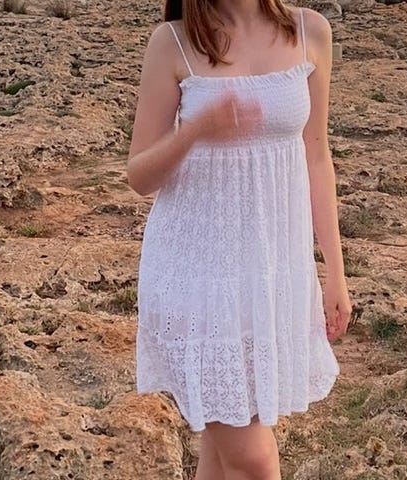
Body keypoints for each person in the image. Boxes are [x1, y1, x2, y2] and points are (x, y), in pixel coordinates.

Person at [127, 0, 352, 478]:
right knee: (253, 459)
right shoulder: (173, 42)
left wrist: (335, 273)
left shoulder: (311, 31)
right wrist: (196, 130)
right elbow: (139, 176)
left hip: (271, 278)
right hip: (194, 279)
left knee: (222, 450)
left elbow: (317, 156)